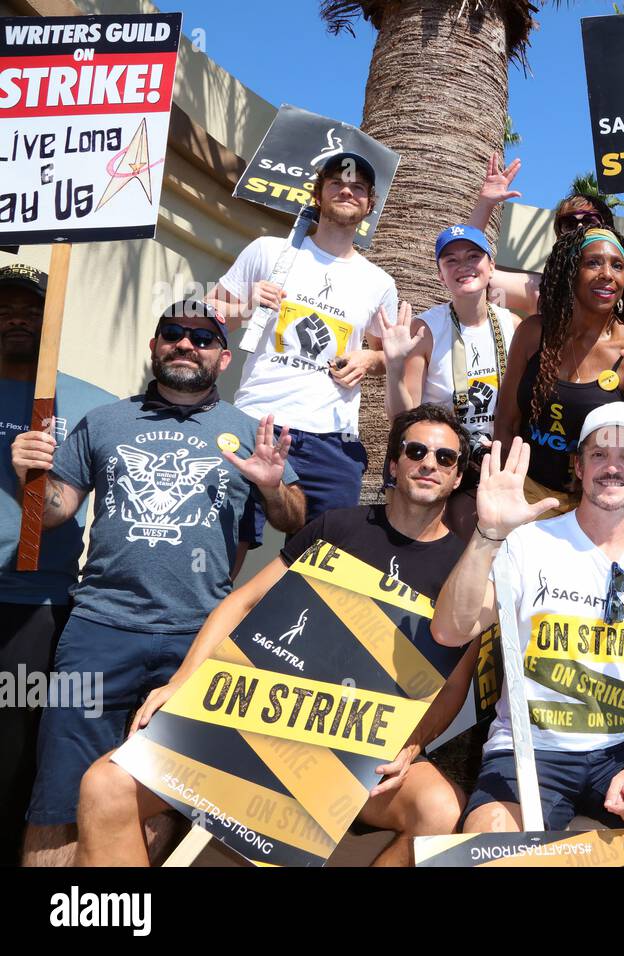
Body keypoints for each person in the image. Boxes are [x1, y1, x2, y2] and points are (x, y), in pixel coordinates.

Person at [76, 404, 479, 867]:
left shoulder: (463, 568)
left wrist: (414, 741)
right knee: (105, 785)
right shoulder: (337, 527)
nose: (429, 463)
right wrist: (182, 681)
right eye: (416, 450)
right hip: (264, 722)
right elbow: (241, 602)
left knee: (441, 810)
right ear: (393, 463)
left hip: (365, 752)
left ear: (455, 478)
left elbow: (453, 684)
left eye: (445, 458)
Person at [8, 300, 305, 865]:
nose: (185, 344)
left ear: (223, 357)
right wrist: (30, 475)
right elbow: (51, 513)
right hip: (97, 631)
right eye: (173, 333)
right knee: (59, 792)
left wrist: (272, 485)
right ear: (154, 346)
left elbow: (293, 518)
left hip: (197, 640)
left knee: (163, 796)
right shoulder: (106, 420)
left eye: (202, 337)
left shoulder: (248, 431)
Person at [431, 404, 624, 867]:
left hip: (622, 749)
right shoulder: (526, 543)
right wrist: (488, 535)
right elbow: (451, 630)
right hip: (528, 753)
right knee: (488, 855)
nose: (614, 467)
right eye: (600, 454)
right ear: (578, 465)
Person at [206, 149, 397, 539]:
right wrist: (246, 304)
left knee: (323, 559)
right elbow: (204, 314)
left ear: (370, 203)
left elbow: (383, 354)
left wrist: (368, 357)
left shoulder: (379, 283)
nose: (347, 192)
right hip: (257, 420)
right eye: (337, 184)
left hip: (334, 439)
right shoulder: (269, 251)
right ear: (318, 193)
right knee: (227, 540)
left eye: (358, 187)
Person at [0, 264, 115, 864]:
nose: (17, 317)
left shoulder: (93, 407)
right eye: (4, 309)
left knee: (19, 750)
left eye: (30, 309)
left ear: (52, 324)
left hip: (39, 604)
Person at [495, 224, 624, 513]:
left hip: (597, 509)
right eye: (593, 263)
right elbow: (506, 424)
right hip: (526, 496)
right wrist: (503, 489)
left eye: (617, 266)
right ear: (571, 272)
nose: (607, 274)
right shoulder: (534, 333)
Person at [383, 224, 522, 538]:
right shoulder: (426, 329)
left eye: (473, 256)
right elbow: (403, 417)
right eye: (451, 261)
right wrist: (393, 367)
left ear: (491, 267)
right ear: (440, 275)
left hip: (494, 467)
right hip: (437, 462)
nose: (464, 267)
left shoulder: (512, 325)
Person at [467, 153, 618, 316]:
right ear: (560, 235)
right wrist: (485, 204)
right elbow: (469, 272)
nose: (580, 227)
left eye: (590, 221)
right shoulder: (539, 290)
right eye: (569, 224)